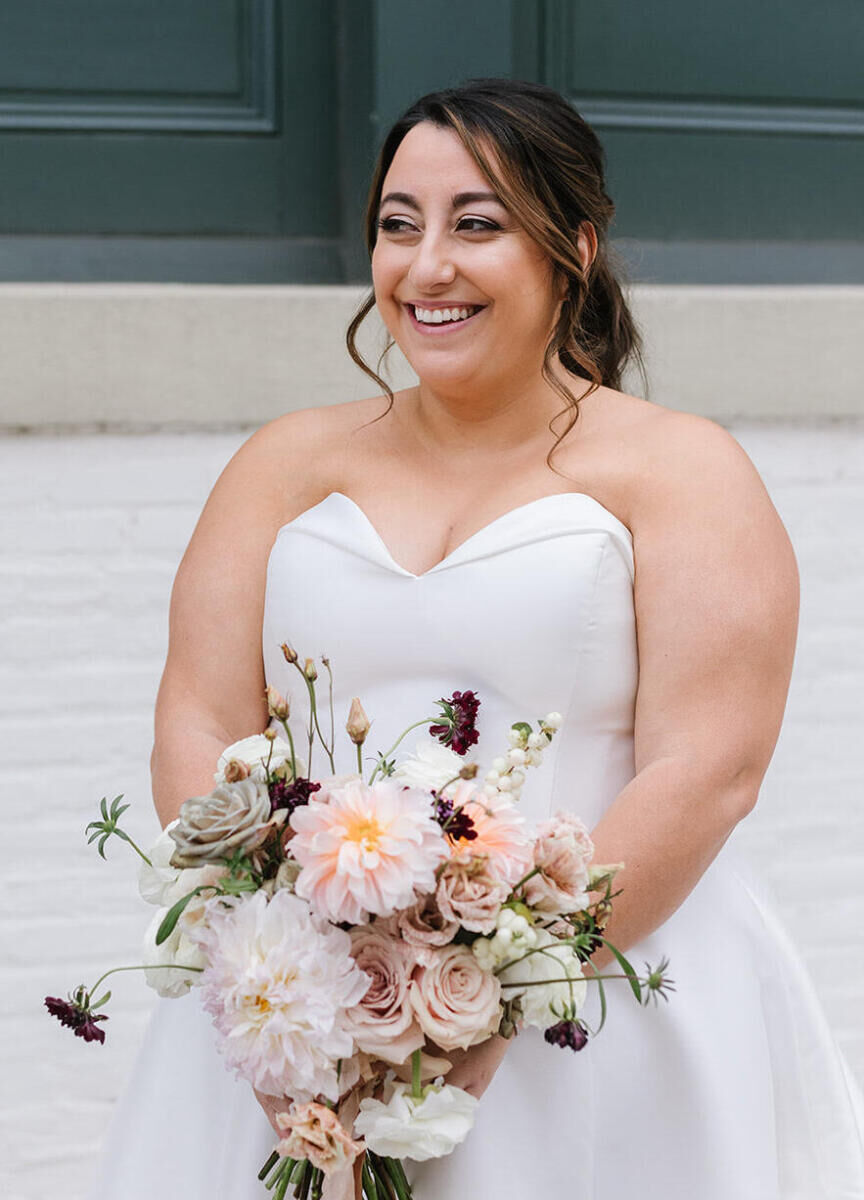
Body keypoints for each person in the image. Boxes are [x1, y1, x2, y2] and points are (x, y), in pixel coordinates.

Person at [88, 78, 864, 1199]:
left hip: (595, 1011)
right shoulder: (285, 461)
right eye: (398, 225)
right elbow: (201, 720)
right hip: (305, 1010)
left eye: (477, 224)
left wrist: (493, 994)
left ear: (576, 248)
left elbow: (709, 768)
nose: (426, 266)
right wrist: (271, 982)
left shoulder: (680, 469)